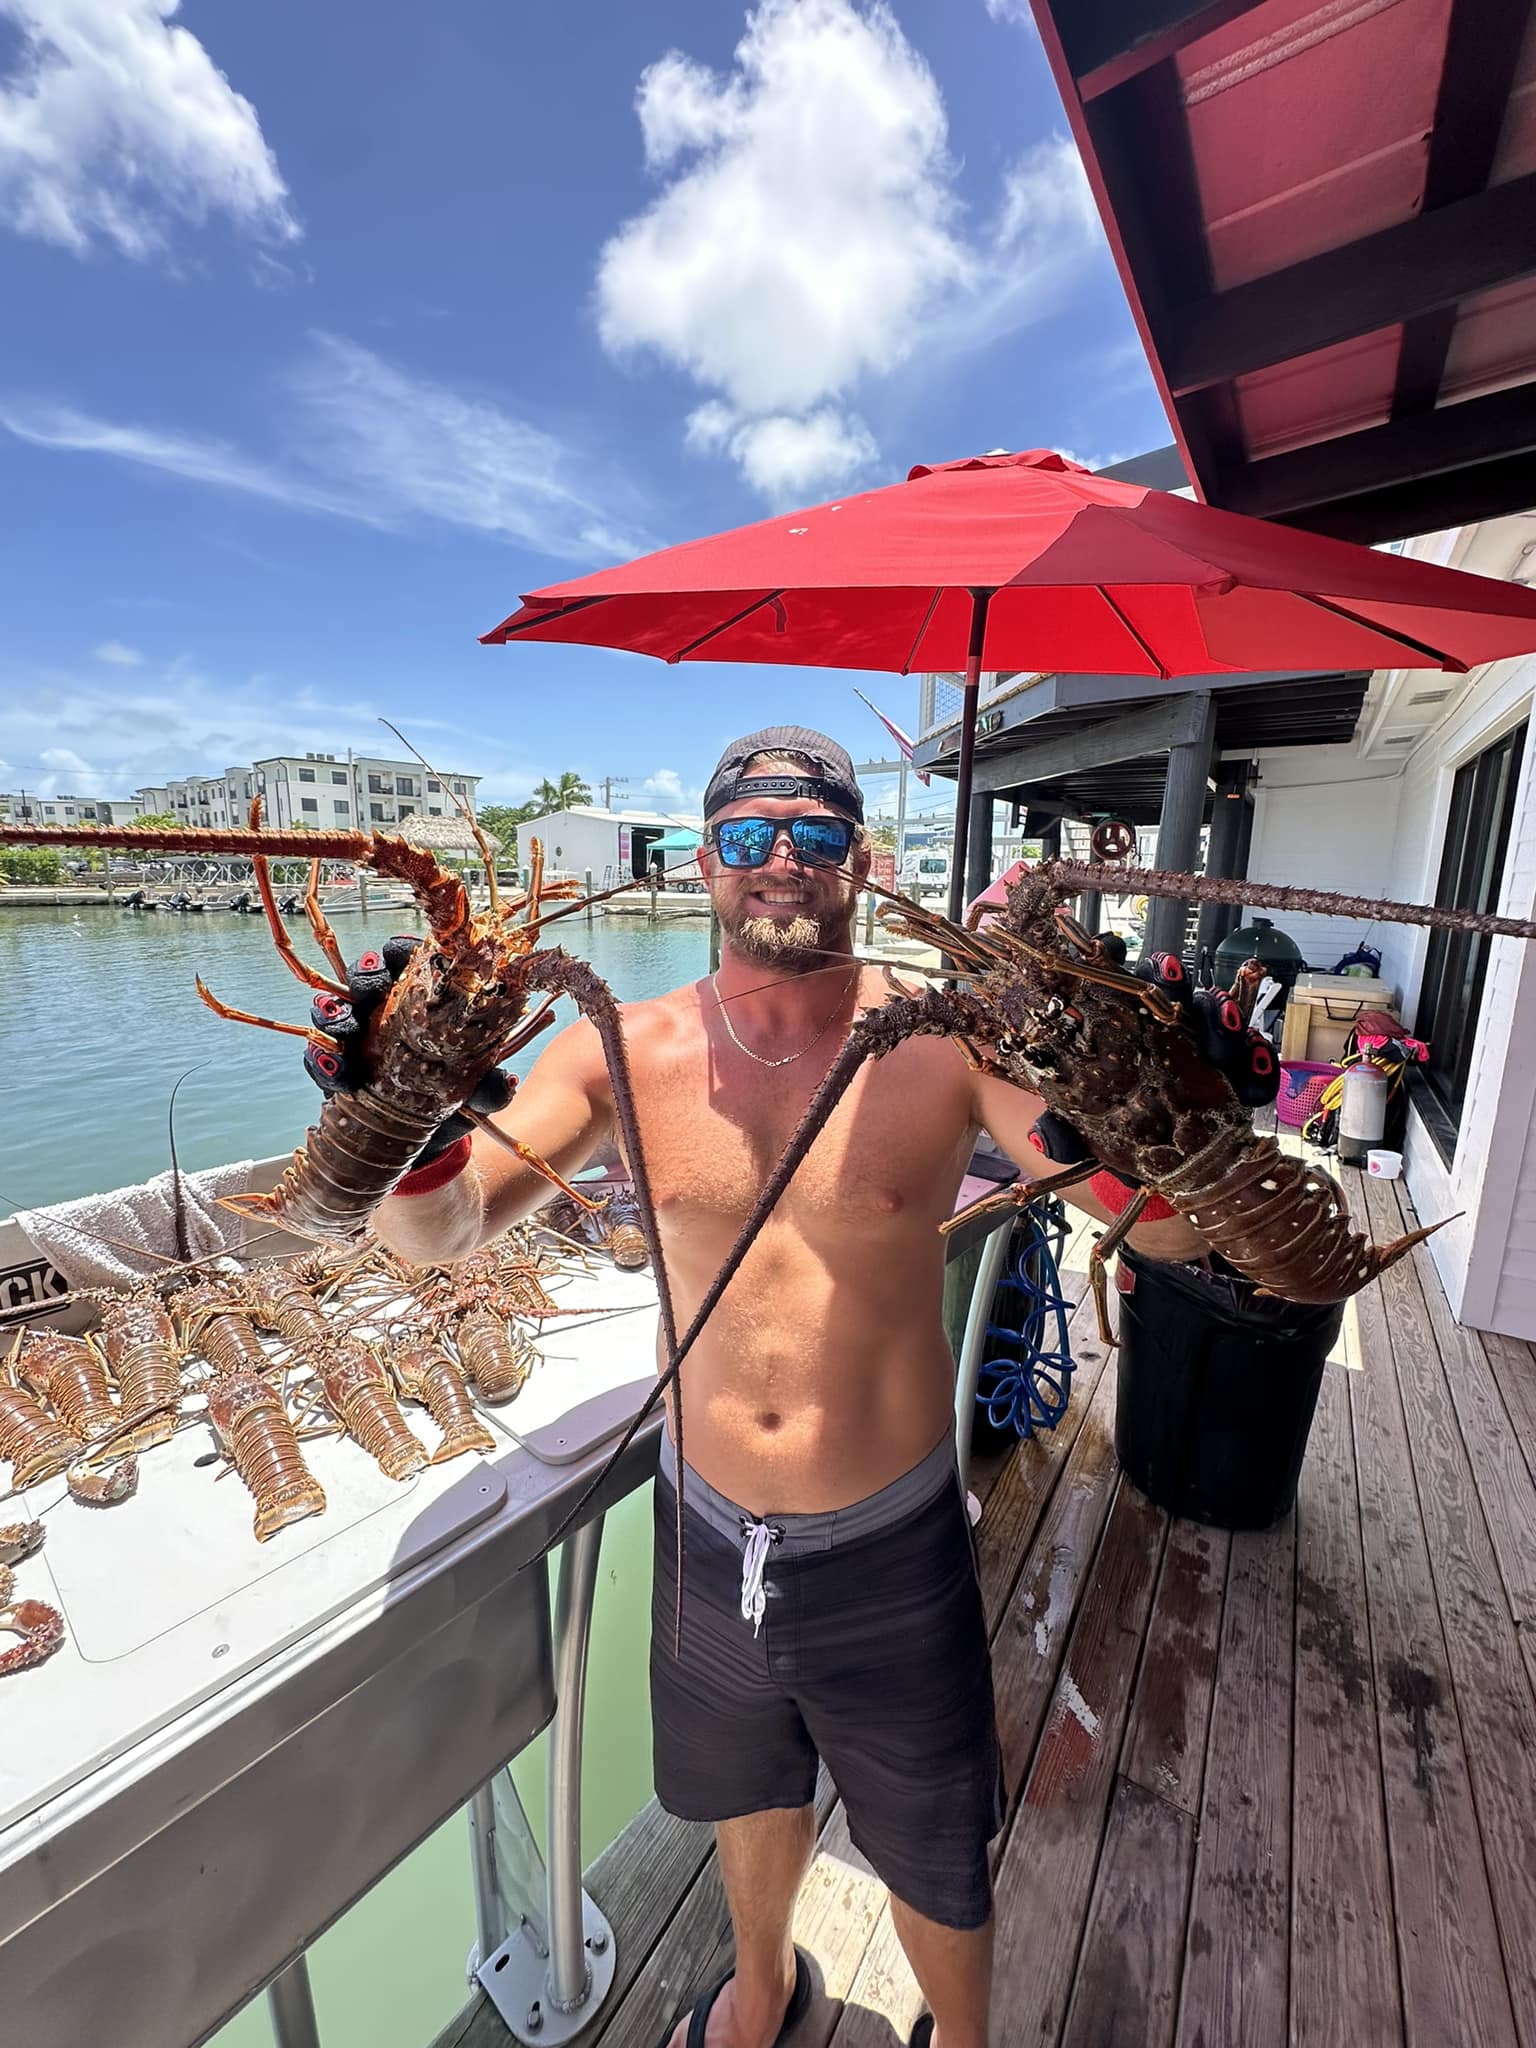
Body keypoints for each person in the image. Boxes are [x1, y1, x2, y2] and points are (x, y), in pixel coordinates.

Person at [309, 727, 1271, 2048]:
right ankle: (763, 1990)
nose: (781, 861)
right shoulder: (615, 1050)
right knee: (745, 1790)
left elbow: (1165, 1236)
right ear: (703, 863)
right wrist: (407, 1129)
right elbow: (445, 1232)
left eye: (815, 836)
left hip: (888, 1540)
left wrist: (1190, 1121)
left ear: (859, 863)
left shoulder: (954, 1046)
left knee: (933, 1838)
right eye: (748, 836)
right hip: (705, 1531)